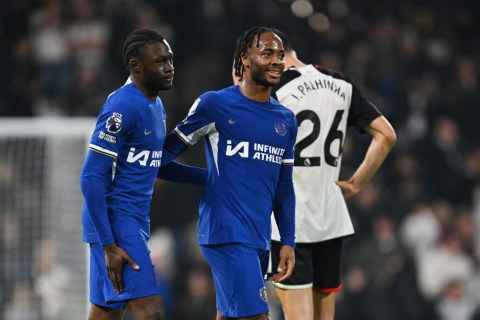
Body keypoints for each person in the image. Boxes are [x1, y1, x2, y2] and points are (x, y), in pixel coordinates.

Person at [161, 26, 297, 320]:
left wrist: (288, 240)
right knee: (258, 316)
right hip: (225, 232)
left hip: (259, 236)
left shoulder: (285, 120)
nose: (276, 60)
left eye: (279, 54)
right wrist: (204, 178)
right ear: (245, 59)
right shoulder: (215, 105)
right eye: (266, 53)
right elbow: (160, 159)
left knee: (229, 316)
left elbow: (284, 186)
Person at [80, 29, 205, 320]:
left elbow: (154, 163)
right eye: (160, 61)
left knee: (106, 312)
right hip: (116, 224)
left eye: (170, 59)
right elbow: (91, 176)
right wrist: (109, 243)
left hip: (132, 220)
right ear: (136, 66)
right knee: (150, 311)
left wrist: (208, 178)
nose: (169, 66)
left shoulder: (156, 105)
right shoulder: (122, 106)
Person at [269, 39, 397, 320]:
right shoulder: (340, 84)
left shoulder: (274, 91)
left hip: (289, 222)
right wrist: (356, 183)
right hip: (330, 217)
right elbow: (387, 135)